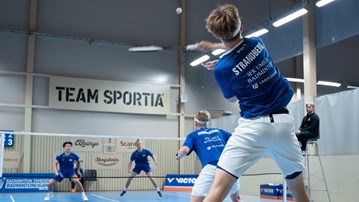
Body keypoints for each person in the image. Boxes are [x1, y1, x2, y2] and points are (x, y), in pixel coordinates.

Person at [192, 4, 310, 202]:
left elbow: (232, 98)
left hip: (252, 129)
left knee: (218, 189)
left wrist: (223, 66)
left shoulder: (222, 69)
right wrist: (218, 52)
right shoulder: (257, 43)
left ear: (217, 35)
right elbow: (237, 45)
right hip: (284, 127)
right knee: (300, 194)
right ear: (241, 26)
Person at [176, 110, 240, 202]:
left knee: (195, 200)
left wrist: (178, 156)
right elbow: (236, 139)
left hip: (212, 167)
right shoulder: (219, 131)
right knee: (237, 199)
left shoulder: (193, 135)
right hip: (229, 166)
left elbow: (184, 150)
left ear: (195, 122)